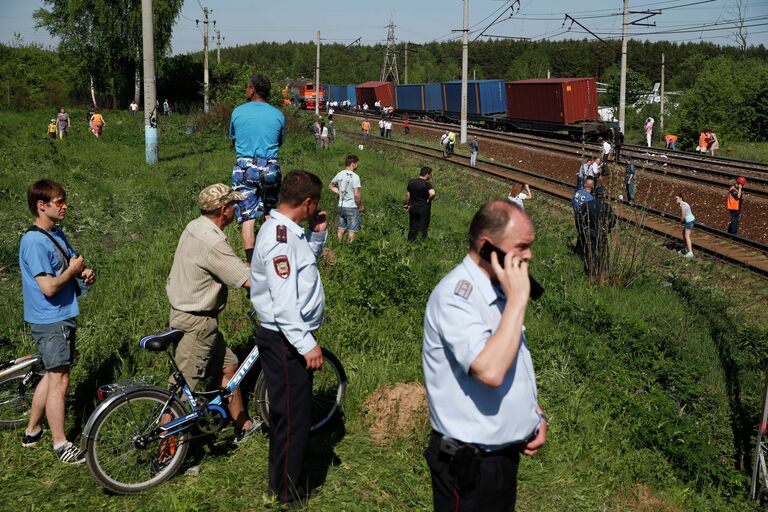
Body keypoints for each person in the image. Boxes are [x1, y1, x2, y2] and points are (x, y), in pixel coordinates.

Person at [422, 200, 548, 512]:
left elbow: (511, 362)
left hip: (502, 458)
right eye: (521, 247)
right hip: (468, 466)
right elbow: (490, 372)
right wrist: (519, 300)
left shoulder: (499, 290)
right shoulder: (456, 297)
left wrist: (534, 416)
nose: (529, 256)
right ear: (488, 247)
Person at [250, 171, 328, 505]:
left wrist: (317, 236)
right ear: (307, 203)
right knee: (292, 417)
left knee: (294, 413)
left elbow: (301, 266)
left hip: (287, 336)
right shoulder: (279, 239)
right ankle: (286, 491)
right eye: (316, 205)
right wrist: (306, 344)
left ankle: (285, 480)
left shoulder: (287, 232)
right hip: (284, 337)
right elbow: (284, 305)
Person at [166, 184, 258, 443]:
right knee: (181, 391)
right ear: (223, 209)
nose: (237, 209)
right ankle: (165, 454)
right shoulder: (214, 241)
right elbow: (244, 279)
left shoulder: (195, 226)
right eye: (234, 205)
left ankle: (243, 424)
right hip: (197, 323)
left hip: (186, 313)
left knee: (229, 366)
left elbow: (222, 265)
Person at [20, 179, 96, 464]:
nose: (65, 205)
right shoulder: (34, 242)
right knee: (60, 379)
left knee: (52, 374)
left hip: (61, 315)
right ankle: (60, 443)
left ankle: (32, 431)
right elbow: (49, 287)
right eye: (59, 201)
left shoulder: (56, 233)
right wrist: (72, 271)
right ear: (42, 206)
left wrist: (83, 272)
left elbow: (69, 266)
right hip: (51, 319)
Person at [229, 74, 285, 263]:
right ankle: (275, 257)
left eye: (247, 87)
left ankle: (252, 263)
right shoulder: (278, 114)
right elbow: (279, 142)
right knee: (270, 212)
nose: (246, 90)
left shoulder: (238, 112)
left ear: (252, 90)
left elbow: (234, 138)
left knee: (248, 216)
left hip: (245, 167)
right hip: (270, 166)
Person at [579, 186, 617, 282]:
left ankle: (591, 274)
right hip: (601, 232)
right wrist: (607, 229)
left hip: (590, 231)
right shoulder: (606, 206)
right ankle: (603, 274)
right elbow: (612, 220)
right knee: (603, 253)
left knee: (591, 253)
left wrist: (584, 227)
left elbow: (579, 215)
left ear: (594, 194)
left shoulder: (587, 204)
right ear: (603, 195)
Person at [329, 154, 364, 241]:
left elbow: (331, 186)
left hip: (341, 206)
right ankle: (350, 248)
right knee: (352, 231)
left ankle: (338, 245)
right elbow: (356, 195)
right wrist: (360, 207)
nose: (358, 165)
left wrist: (340, 192)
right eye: (357, 163)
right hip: (351, 207)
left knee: (341, 229)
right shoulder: (355, 177)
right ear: (353, 164)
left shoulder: (339, 174)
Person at [405, 166, 436, 241]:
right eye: (430, 174)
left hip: (413, 208)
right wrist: (428, 200)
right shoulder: (427, 184)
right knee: (423, 228)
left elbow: (408, 195)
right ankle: (421, 243)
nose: (430, 176)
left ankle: (410, 242)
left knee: (412, 226)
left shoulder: (411, 182)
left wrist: (407, 204)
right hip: (423, 209)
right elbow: (432, 193)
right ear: (427, 174)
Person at [675, 193, 695, 258]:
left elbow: (683, 216)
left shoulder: (682, 205)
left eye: (676, 198)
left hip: (689, 221)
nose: (676, 200)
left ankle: (690, 252)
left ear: (680, 198)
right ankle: (684, 249)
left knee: (687, 236)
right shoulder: (685, 203)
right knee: (684, 234)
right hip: (691, 220)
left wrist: (680, 224)